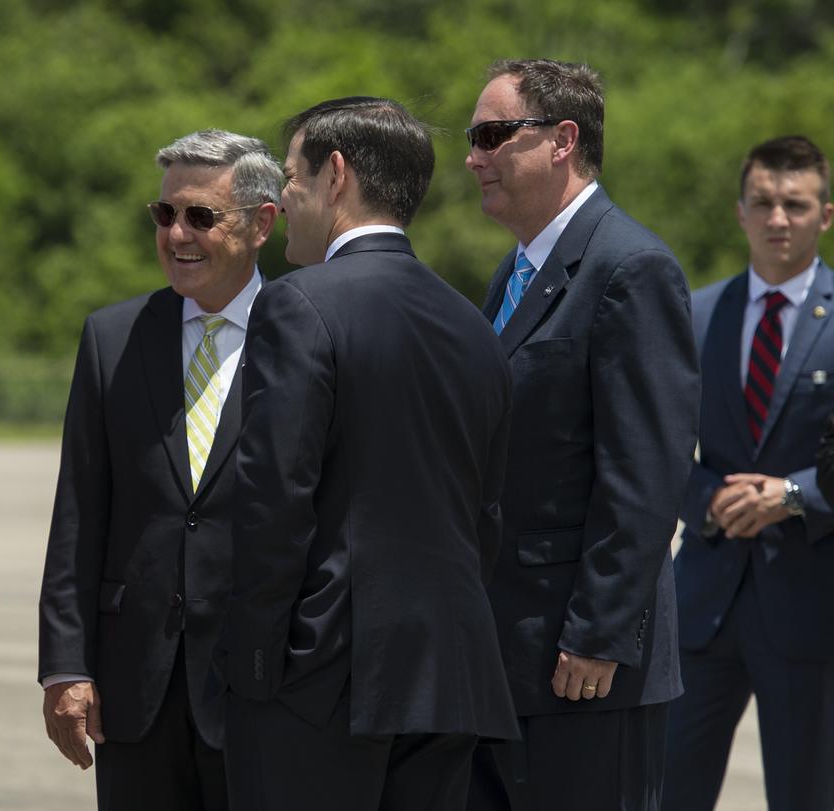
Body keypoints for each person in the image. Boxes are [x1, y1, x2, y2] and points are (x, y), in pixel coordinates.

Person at [215, 97, 518, 811]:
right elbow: (487, 513)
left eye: (291, 175)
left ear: (336, 175)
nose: (283, 199)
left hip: (323, 682)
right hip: (451, 679)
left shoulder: (299, 305)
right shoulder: (473, 325)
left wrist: (253, 665)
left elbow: (272, 501)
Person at [461, 59, 700, 811]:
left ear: (563, 139)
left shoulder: (631, 267)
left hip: (583, 670)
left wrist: (598, 632)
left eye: (493, 135)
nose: (473, 157)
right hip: (506, 657)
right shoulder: (516, 271)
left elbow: (645, 474)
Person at [37, 129, 281, 811]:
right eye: (164, 214)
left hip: (262, 687)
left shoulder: (309, 334)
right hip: (133, 687)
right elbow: (78, 513)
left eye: (201, 215)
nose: (177, 233)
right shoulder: (112, 338)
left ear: (262, 222)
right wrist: (65, 665)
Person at [667, 135, 834, 811]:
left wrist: (795, 494)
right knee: (663, 791)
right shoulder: (696, 312)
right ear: (739, 212)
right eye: (762, 202)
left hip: (811, 601)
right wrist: (708, 496)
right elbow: (655, 443)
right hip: (703, 598)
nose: (777, 219)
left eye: (795, 204)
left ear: (825, 214)